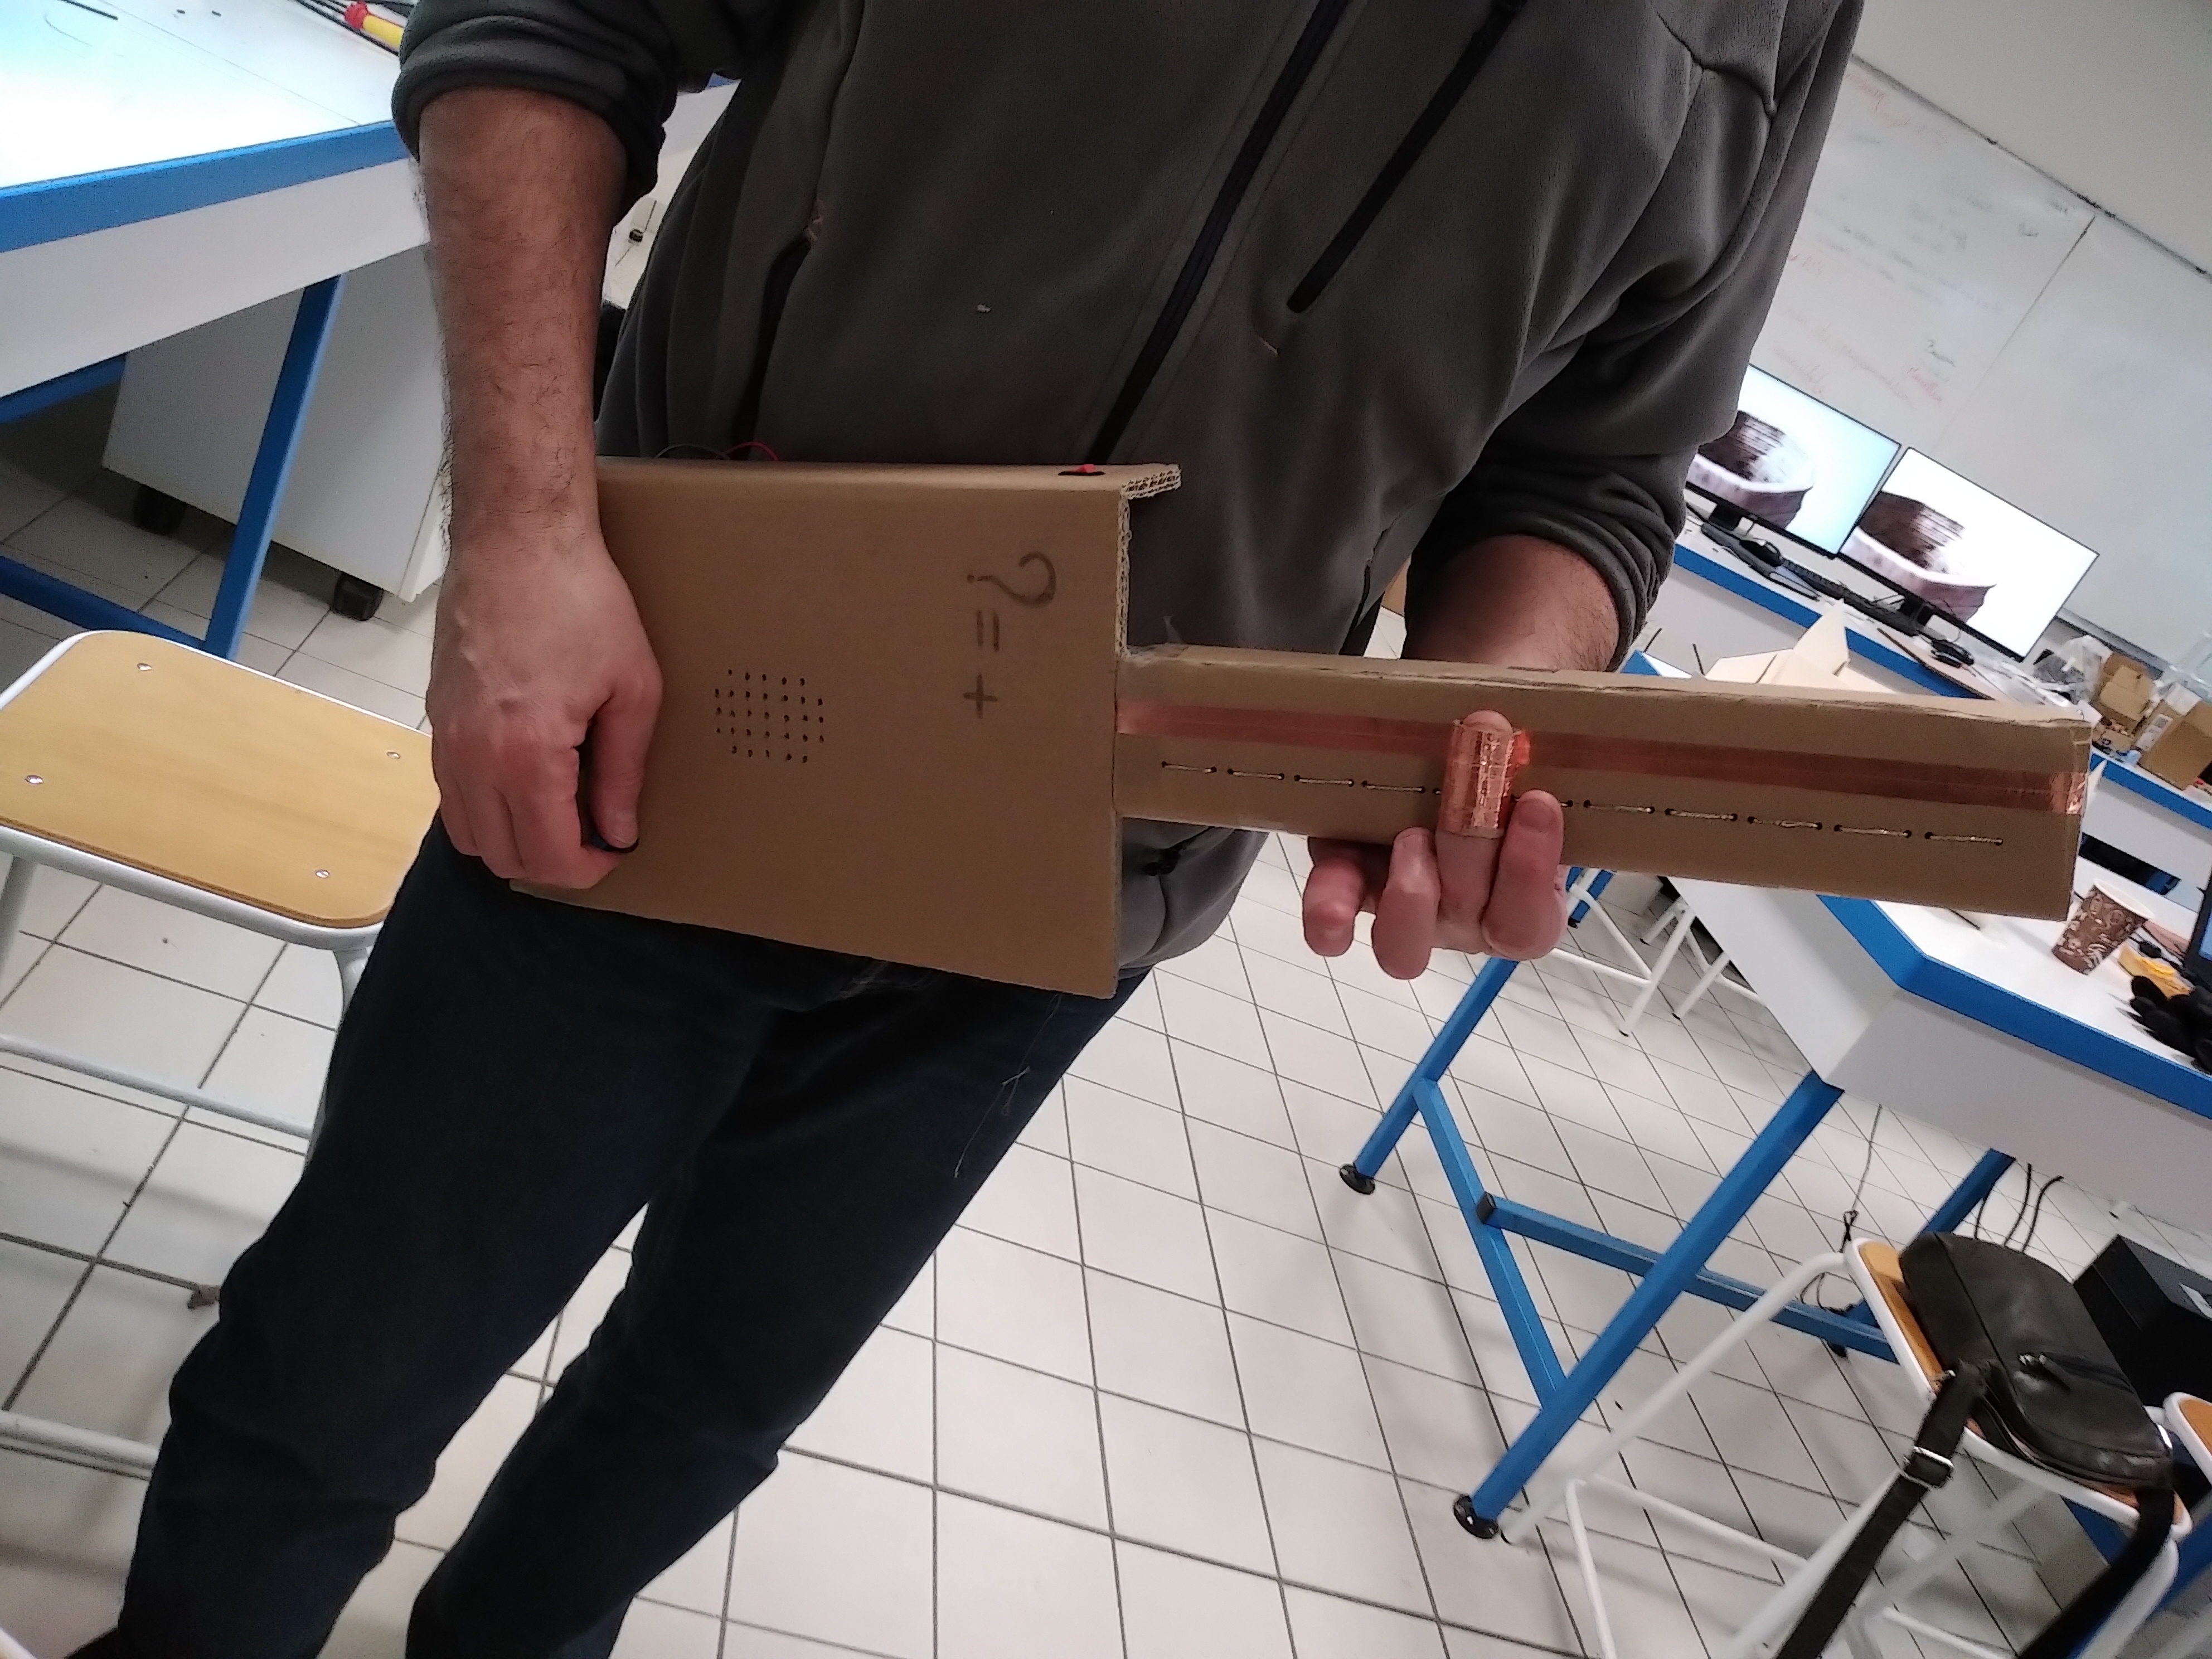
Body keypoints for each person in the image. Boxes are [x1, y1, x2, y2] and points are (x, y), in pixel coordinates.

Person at [75, 0, 1858, 1651]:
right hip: (667, 726)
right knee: (333, 1376)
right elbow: (562, 23)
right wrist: (523, 528)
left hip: (1077, 882)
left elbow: (1595, 461)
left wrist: (1479, 723)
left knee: (688, 1427)